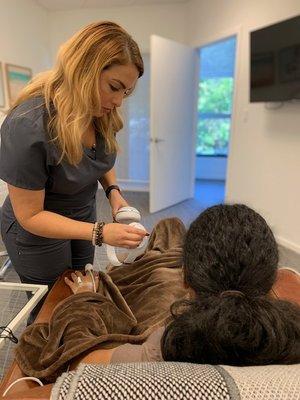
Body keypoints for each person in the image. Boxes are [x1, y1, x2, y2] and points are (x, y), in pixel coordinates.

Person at [14, 204, 300, 382]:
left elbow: (79, 362)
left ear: (186, 278)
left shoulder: (164, 347)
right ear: (270, 278)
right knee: (170, 227)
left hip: (153, 304)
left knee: (164, 241)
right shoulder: (290, 333)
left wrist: (84, 297)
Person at [0, 21, 147, 289]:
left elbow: (99, 156)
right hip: (39, 228)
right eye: (114, 87)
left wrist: (113, 191)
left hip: (83, 215)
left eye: (125, 92)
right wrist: (101, 232)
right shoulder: (28, 124)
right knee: (53, 305)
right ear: (84, 70)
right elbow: (30, 216)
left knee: (82, 287)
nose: (118, 102)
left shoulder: (100, 113)